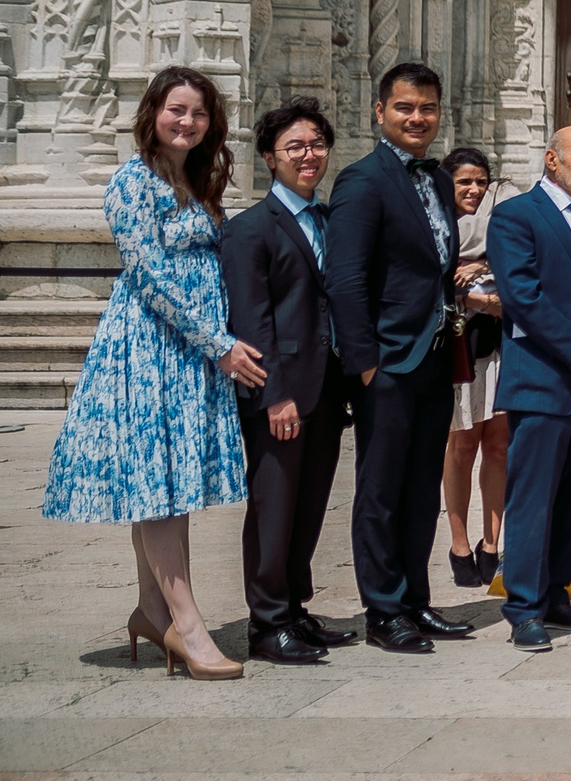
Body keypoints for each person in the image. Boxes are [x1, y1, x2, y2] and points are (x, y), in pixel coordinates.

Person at [46, 68, 257, 680]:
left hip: (188, 353)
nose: (186, 121)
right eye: (176, 110)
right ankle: (187, 626)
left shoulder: (194, 182)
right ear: (153, 113)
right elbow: (148, 275)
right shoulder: (131, 180)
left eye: (198, 113)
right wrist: (217, 342)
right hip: (149, 349)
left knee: (169, 483)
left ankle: (149, 609)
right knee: (158, 487)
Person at [326, 62, 474, 654]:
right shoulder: (362, 181)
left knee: (420, 488)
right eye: (405, 108)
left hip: (435, 357)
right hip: (386, 363)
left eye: (428, 108)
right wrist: (364, 362)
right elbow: (345, 279)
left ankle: (416, 598)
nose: (418, 118)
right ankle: (383, 609)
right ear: (379, 112)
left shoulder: (439, 181)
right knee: (382, 487)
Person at [221, 97, 357, 666]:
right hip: (281, 392)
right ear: (269, 158)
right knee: (274, 506)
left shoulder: (330, 220)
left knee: (310, 504)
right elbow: (251, 320)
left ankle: (296, 608)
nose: (308, 155)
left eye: (316, 144)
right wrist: (274, 394)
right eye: (294, 147)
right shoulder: (251, 228)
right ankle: (267, 621)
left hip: (328, 388)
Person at [484, 126, 571, 651]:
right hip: (543, 381)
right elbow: (524, 297)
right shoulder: (516, 215)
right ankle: (523, 608)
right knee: (533, 499)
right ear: (552, 159)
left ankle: (556, 593)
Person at [442, 147, 514, 590]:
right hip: (459, 346)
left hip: (500, 345)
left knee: (499, 443)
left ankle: (492, 541)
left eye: (480, 181)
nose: (473, 189)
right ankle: (458, 543)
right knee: (462, 444)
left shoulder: (500, 226)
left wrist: (485, 265)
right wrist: (474, 297)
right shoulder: (436, 227)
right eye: (464, 181)